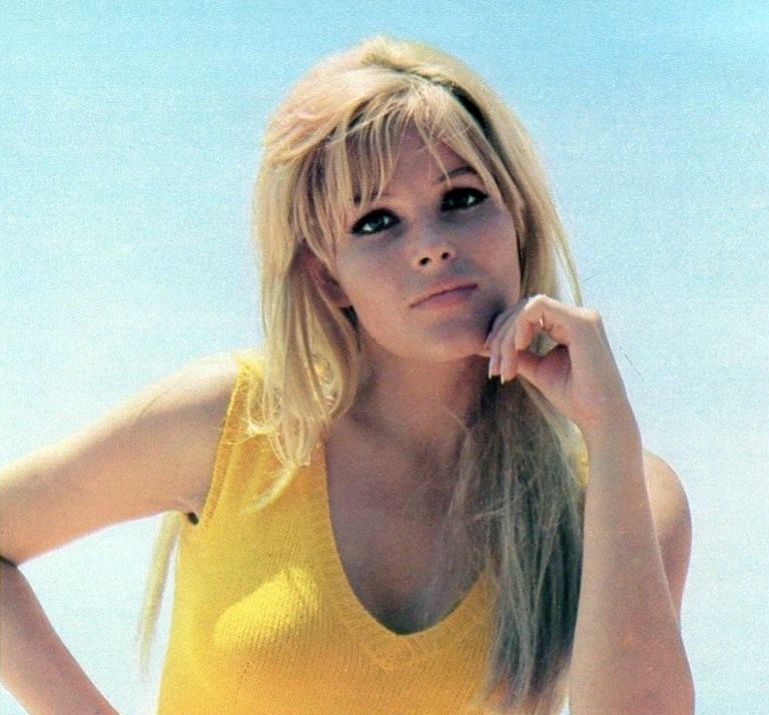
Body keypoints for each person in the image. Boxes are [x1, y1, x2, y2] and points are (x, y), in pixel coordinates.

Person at [0, 36, 694, 715]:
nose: (431, 246)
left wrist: (609, 432)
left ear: (517, 218)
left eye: (460, 198)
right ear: (327, 277)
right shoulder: (235, 424)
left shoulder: (620, 490)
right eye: (376, 221)